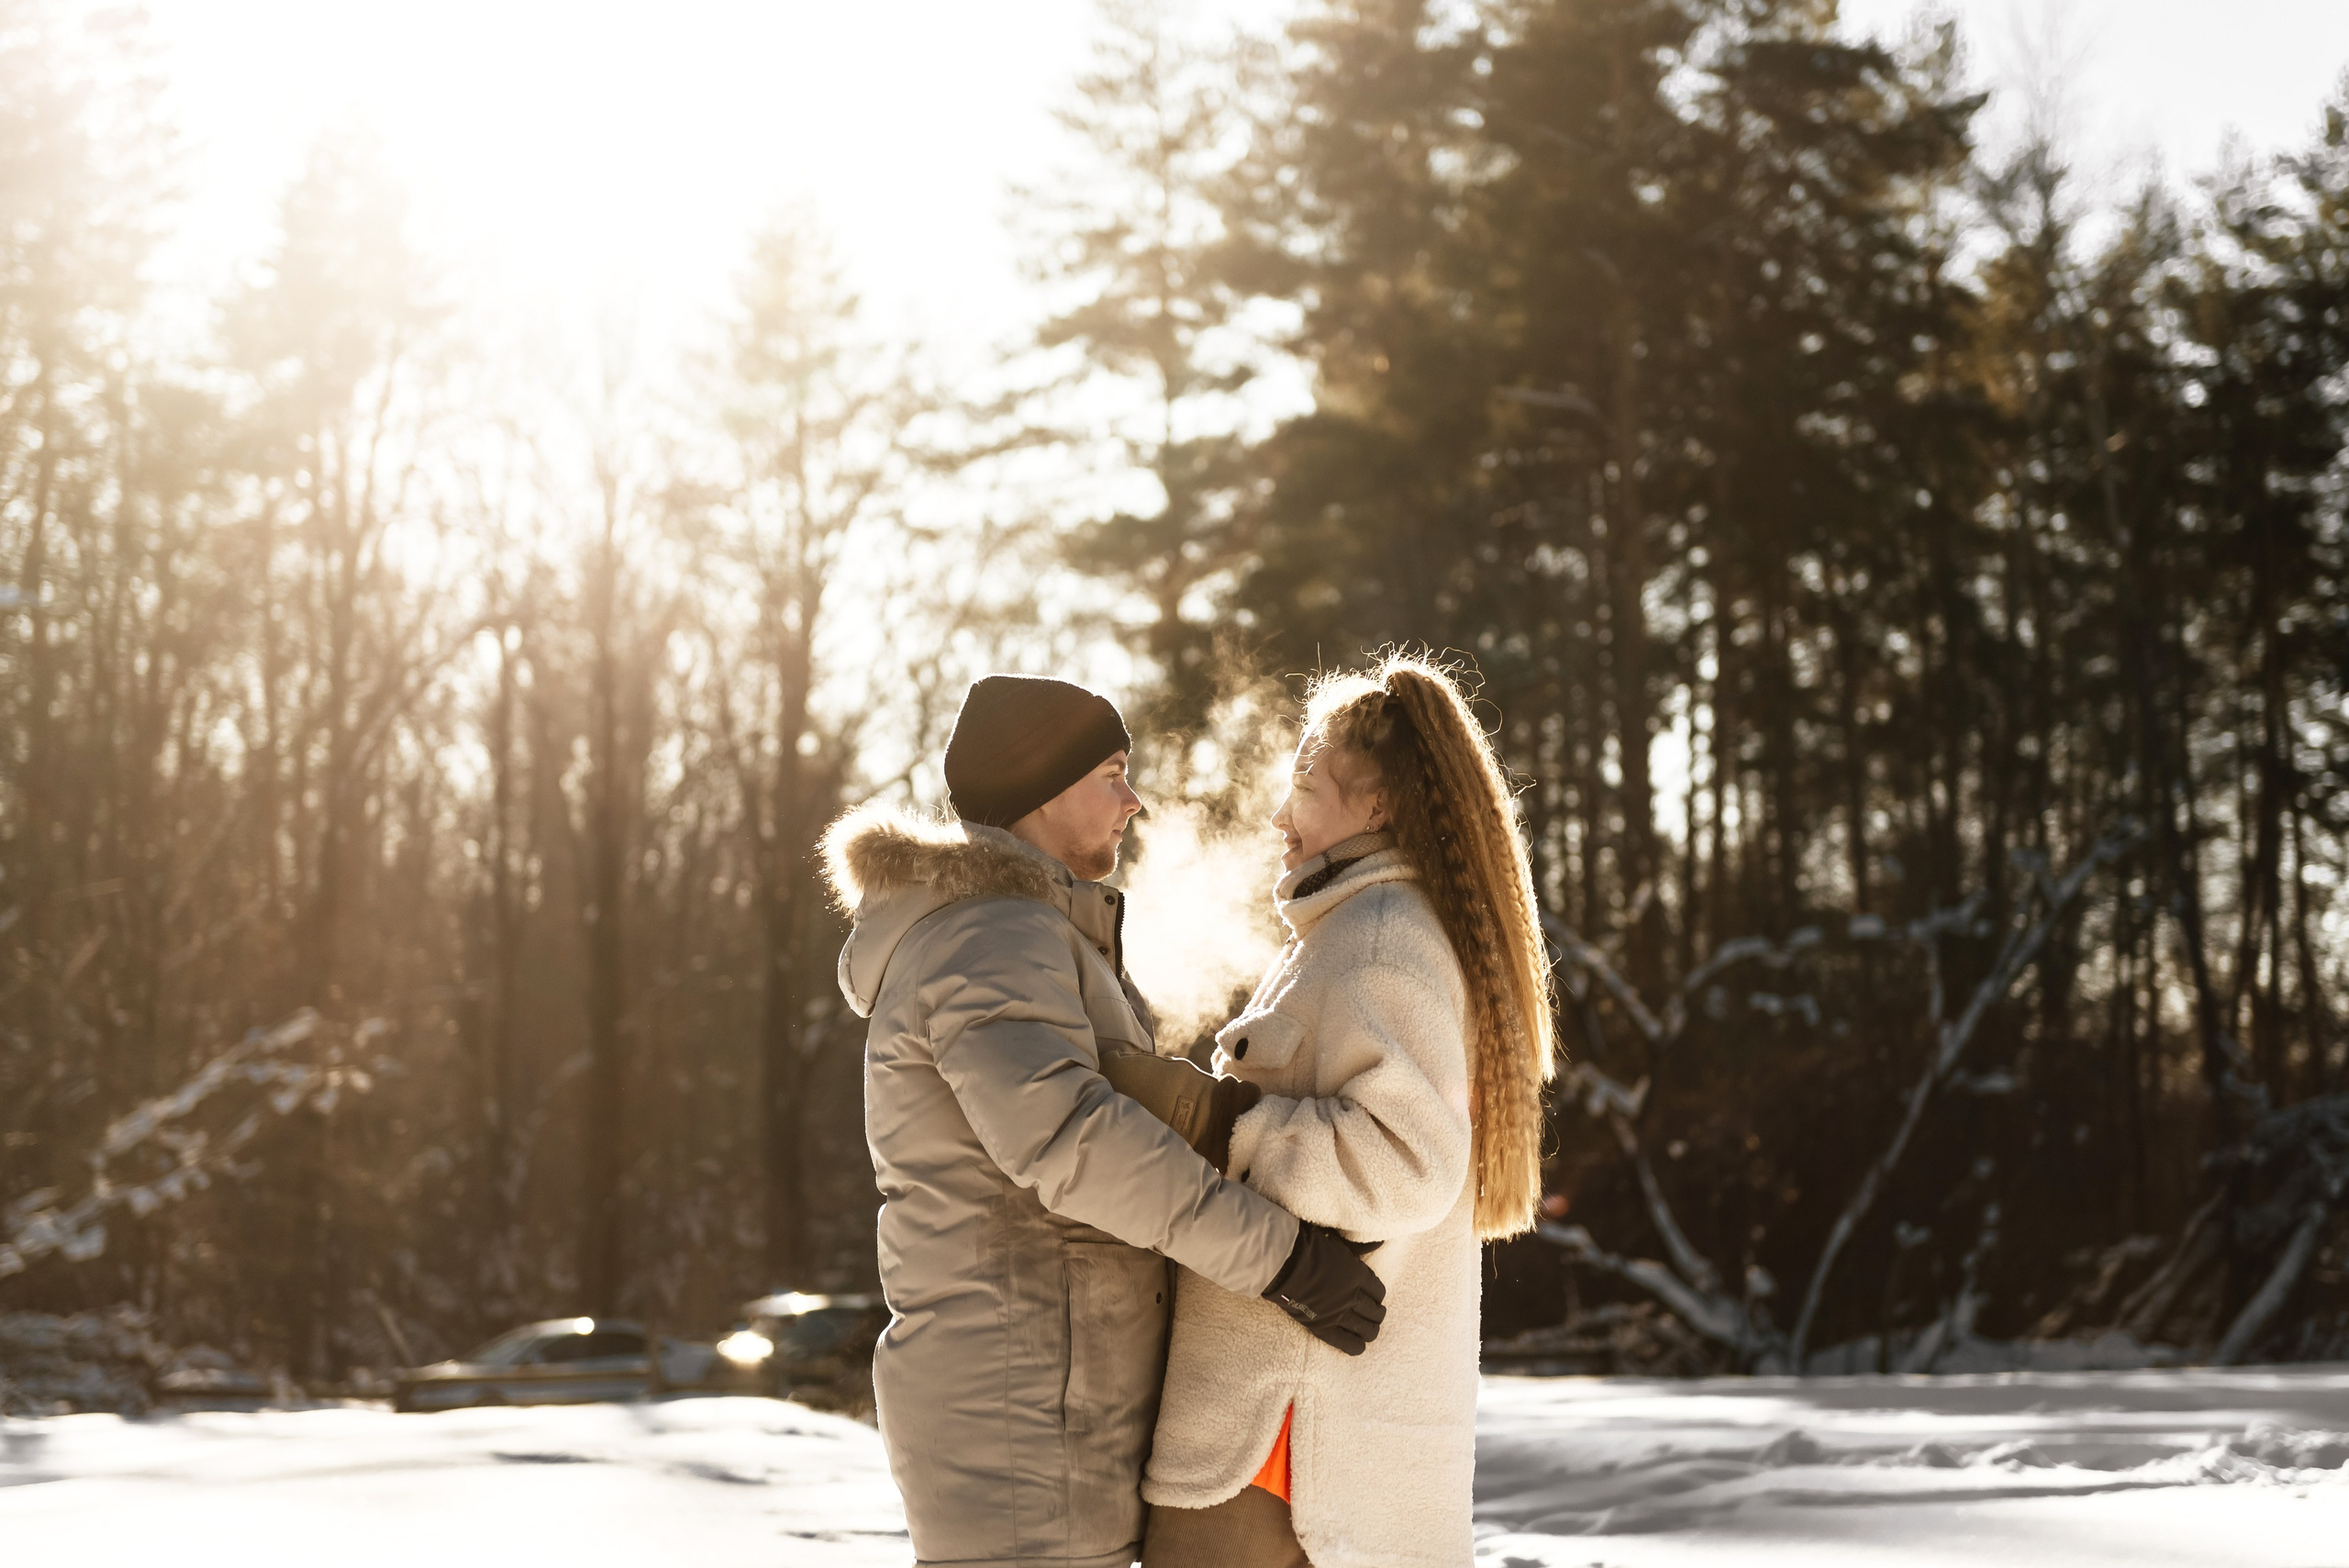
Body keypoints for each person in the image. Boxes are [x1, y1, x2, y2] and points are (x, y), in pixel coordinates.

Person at [820, 673, 1389, 1568]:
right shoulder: (992, 934)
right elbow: (1073, 1139)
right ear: (1041, 786)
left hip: (1047, 1409)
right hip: (1019, 1421)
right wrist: (1277, 1254)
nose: (1134, 799)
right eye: (1111, 772)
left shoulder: (1025, 931)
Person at [1141, 653, 1557, 1568]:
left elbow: (1408, 1161)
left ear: (1379, 806)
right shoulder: (1353, 938)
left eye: (1304, 783)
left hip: (1281, 1459)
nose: (1281, 814)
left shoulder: (1376, 943)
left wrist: (1226, 1124)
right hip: (1308, 1460)